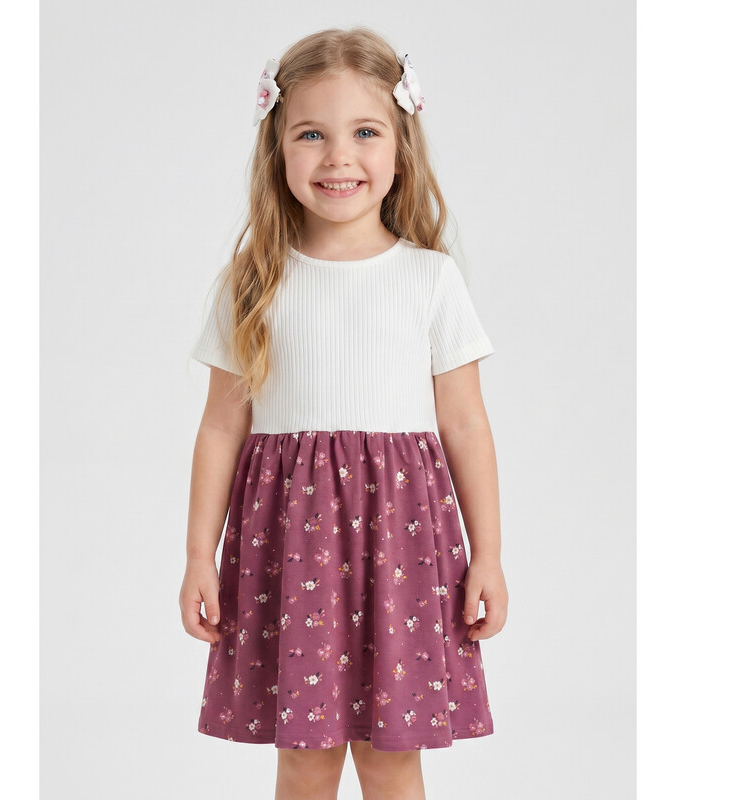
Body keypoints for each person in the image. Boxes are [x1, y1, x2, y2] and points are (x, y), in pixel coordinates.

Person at [179, 26, 508, 800]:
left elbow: (466, 425)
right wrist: (199, 555)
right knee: (306, 757)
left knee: (392, 758)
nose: (338, 158)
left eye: (364, 132)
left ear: (400, 145)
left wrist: (488, 554)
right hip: (291, 551)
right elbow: (221, 427)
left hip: (406, 547)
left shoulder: (430, 279)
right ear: (277, 146)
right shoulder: (253, 282)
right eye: (311, 134)